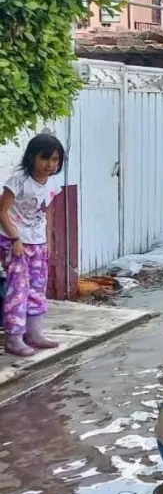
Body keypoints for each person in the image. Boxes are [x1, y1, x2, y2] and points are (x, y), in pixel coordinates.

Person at [0, 133, 65, 357]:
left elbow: (47, 214)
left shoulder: (52, 184)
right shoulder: (19, 181)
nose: (50, 164)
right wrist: (15, 239)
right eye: (45, 158)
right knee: (18, 288)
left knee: (37, 286)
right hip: (14, 240)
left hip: (38, 242)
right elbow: (2, 211)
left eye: (55, 159)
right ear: (32, 157)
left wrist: (48, 242)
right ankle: (14, 338)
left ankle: (34, 333)